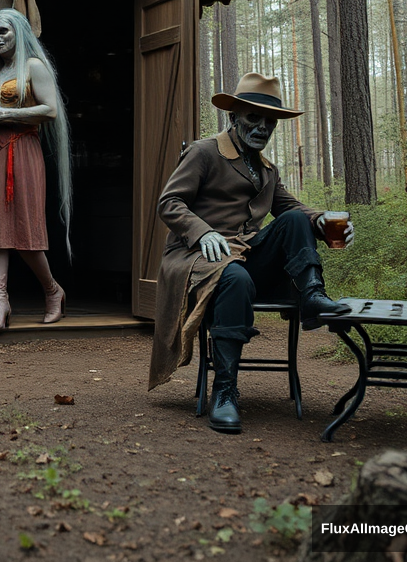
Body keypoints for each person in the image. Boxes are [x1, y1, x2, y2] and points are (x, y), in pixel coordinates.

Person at [147, 73, 354, 435]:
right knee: (235, 276)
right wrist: (203, 230)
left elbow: (292, 210)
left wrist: (323, 220)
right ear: (233, 118)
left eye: (268, 121)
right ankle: (224, 392)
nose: (261, 127)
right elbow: (170, 202)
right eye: (253, 119)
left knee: (292, 221)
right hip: (198, 259)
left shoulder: (266, 170)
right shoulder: (203, 151)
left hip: (243, 257)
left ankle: (313, 296)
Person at [0, 8, 72, 333]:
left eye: (4, 32)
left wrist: (1, 114)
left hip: (21, 151)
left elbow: (51, 110)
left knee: (24, 230)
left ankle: (53, 291)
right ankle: (2, 301)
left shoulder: (33, 66)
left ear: (20, 33)